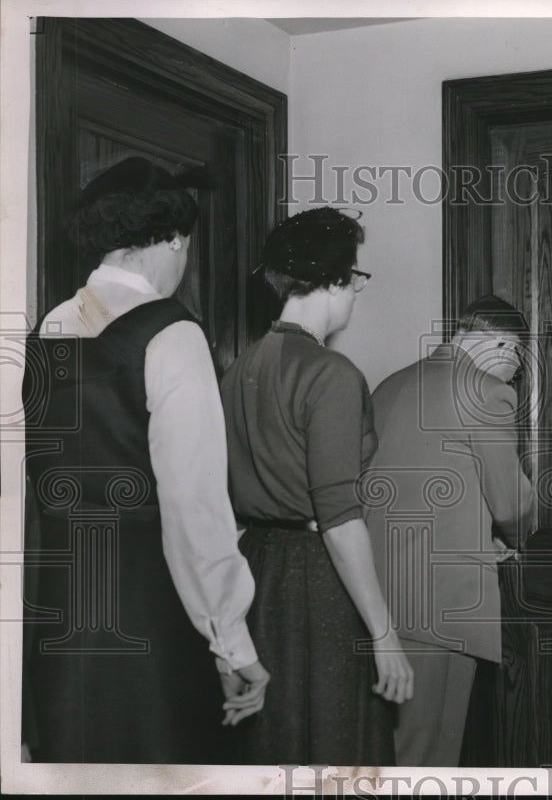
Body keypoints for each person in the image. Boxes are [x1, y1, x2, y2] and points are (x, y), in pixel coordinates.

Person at [22, 156, 269, 764]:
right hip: (147, 608)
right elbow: (195, 508)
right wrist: (232, 644)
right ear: (174, 239)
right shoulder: (172, 332)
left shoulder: (47, 330)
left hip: (56, 609)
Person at [220, 207, 413, 766]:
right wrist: (384, 634)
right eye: (354, 278)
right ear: (332, 280)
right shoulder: (331, 374)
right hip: (318, 581)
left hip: (255, 572)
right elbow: (339, 516)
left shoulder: (240, 368)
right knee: (336, 742)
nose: (356, 292)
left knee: (273, 742)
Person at [363, 295, 536, 766]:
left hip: (375, 603)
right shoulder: (484, 391)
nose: (513, 376)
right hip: (441, 610)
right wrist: (521, 536)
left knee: (390, 754)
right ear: (504, 344)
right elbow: (511, 502)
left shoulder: (389, 386)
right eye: (517, 363)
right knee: (428, 762)